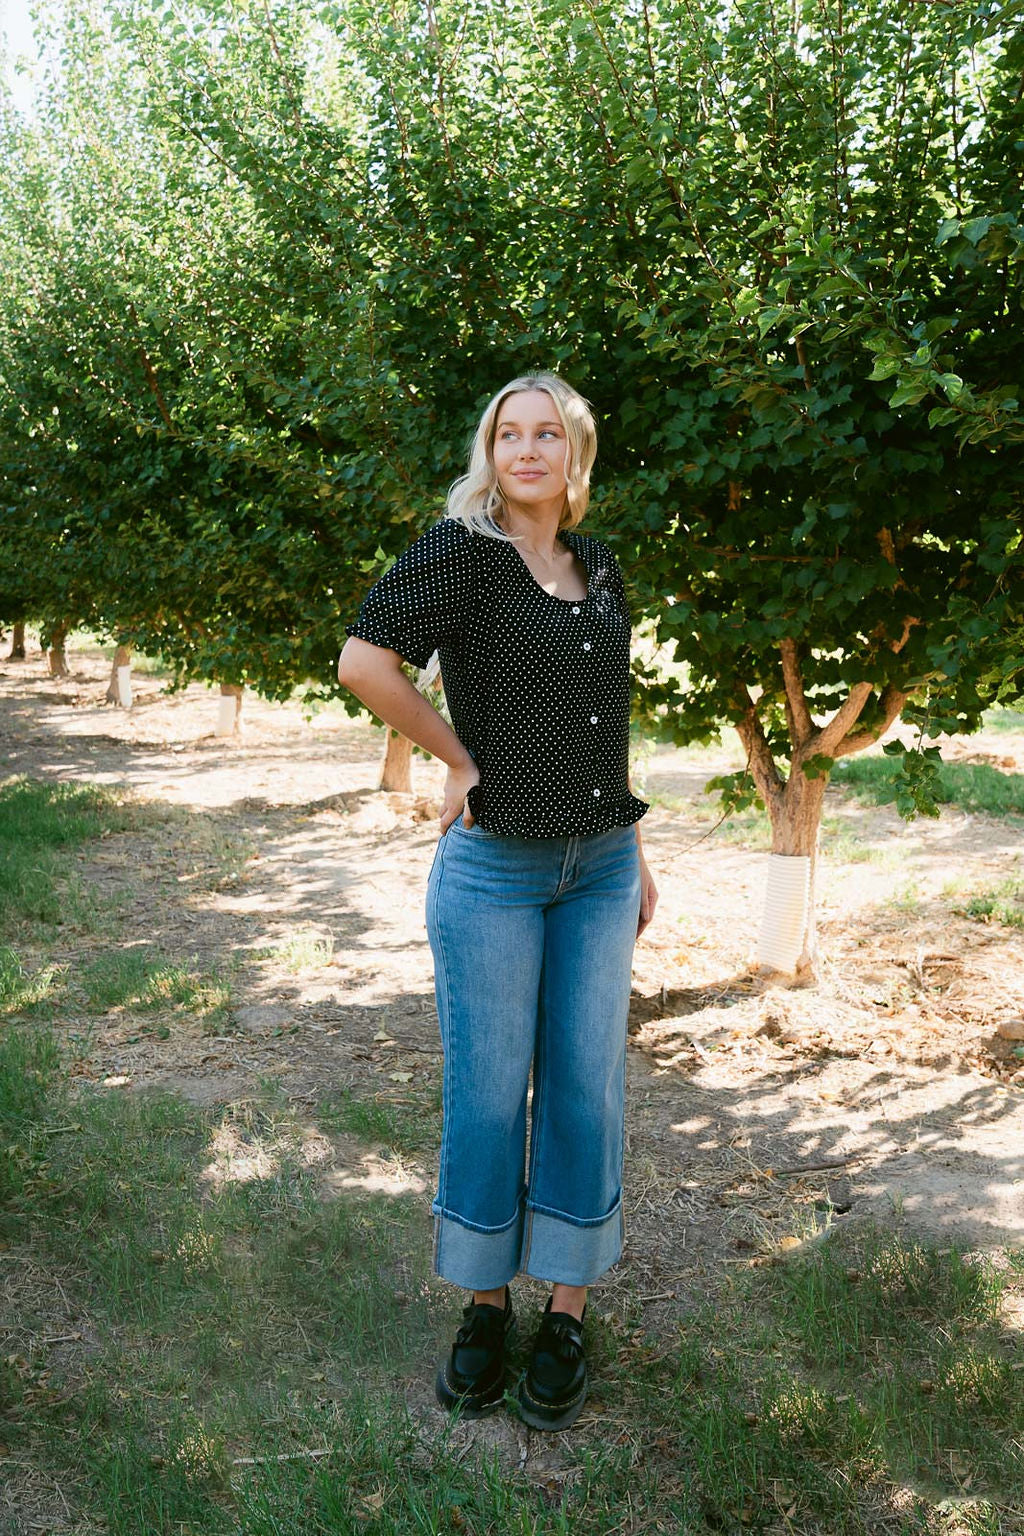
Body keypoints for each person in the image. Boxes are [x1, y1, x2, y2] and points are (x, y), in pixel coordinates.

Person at [337, 372, 657, 1431]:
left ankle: (564, 1309)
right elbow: (363, 662)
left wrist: (637, 846)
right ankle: (483, 1307)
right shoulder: (459, 554)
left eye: (548, 433)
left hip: (601, 866)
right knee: (486, 1092)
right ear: (491, 451)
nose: (527, 449)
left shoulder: (599, 567)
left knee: (584, 1087)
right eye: (509, 433)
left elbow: (601, 717)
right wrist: (455, 757)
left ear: (575, 455)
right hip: (494, 870)